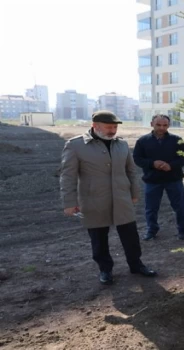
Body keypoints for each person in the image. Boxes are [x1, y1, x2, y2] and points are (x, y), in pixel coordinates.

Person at [59, 110, 157, 285]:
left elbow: (131, 172)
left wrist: (134, 193)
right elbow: (68, 176)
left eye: (114, 127)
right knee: (98, 239)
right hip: (93, 200)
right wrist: (69, 203)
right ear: (95, 126)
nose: (112, 131)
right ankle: (105, 270)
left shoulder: (122, 145)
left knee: (131, 236)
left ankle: (136, 265)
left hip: (122, 198)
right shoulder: (75, 145)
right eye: (108, 127)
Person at [133, 114, 184, 241]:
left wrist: (171, 165)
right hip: (152, 180)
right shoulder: (142, 141)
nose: (162, 128)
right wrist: (152, 163)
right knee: (151, 208)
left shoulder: (177, 140)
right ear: (152, 124)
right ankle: (151, 231)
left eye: (165, 125)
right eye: (158, 125)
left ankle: (182, 231)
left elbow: (183, 158)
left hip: (174, 179)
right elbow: (137, 159)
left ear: (168, 125)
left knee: (180, 207)